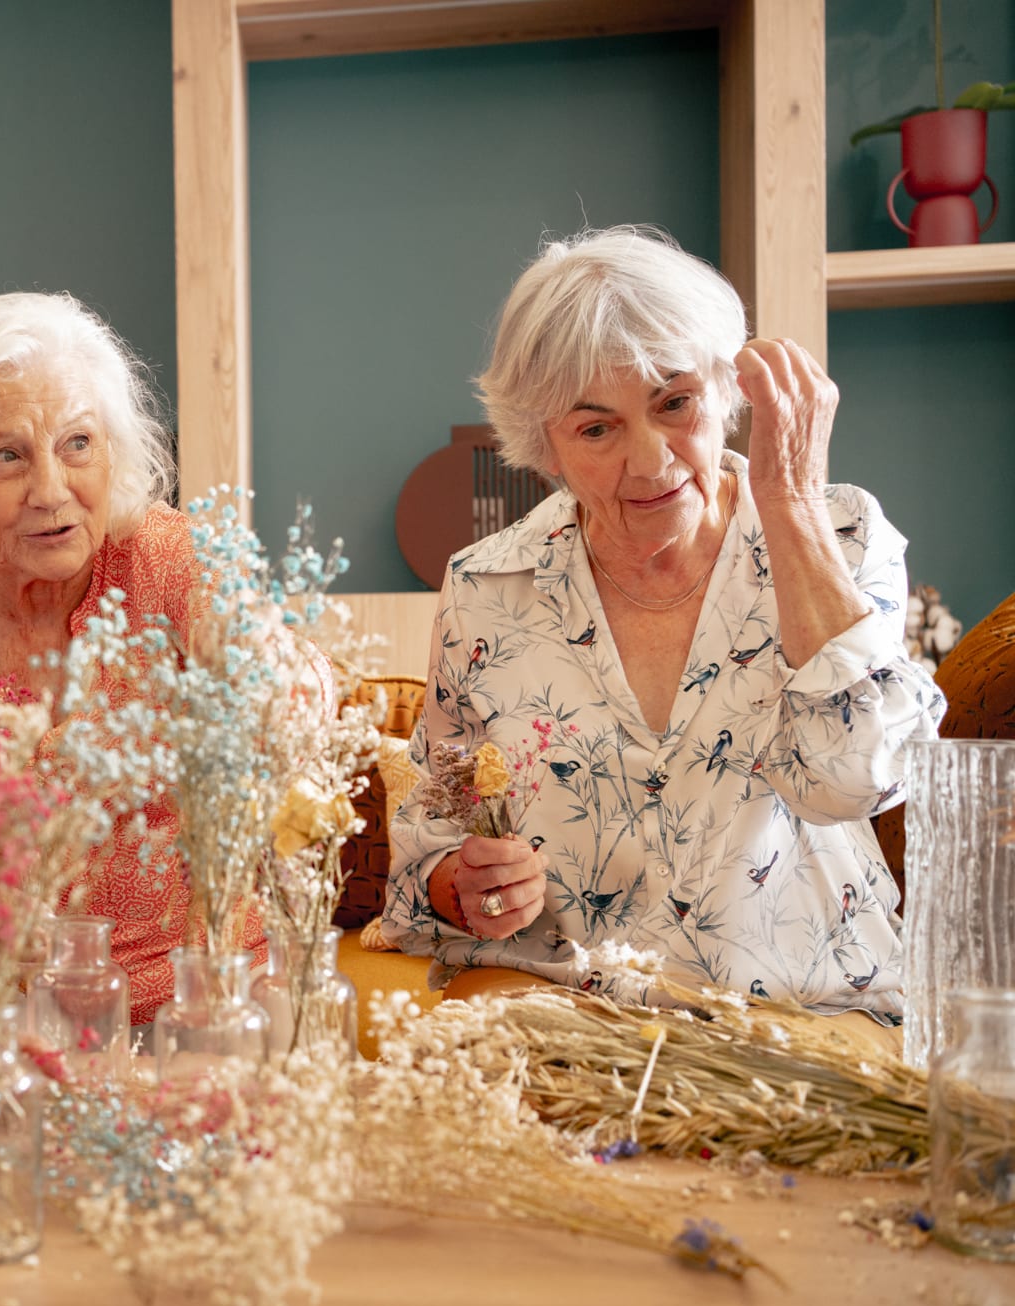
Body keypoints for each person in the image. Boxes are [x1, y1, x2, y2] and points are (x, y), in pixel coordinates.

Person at [381, 226, 946, 1028]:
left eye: (674, 403)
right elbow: (428, 845)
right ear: (545, 445)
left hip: (808, 1029)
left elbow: (857, 779)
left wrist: (789, 506)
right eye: (596, 427)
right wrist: (463, 887)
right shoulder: (484, 588)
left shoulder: (842, 536)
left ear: (725, 390)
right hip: (574, 1034)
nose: (650, 461)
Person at [0, 292, 326, 1026]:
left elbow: (302, 709)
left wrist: (261, 667)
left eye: (78, 444)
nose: (52, 490)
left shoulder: (167, 557)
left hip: (205, 1005)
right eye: (7, 456)